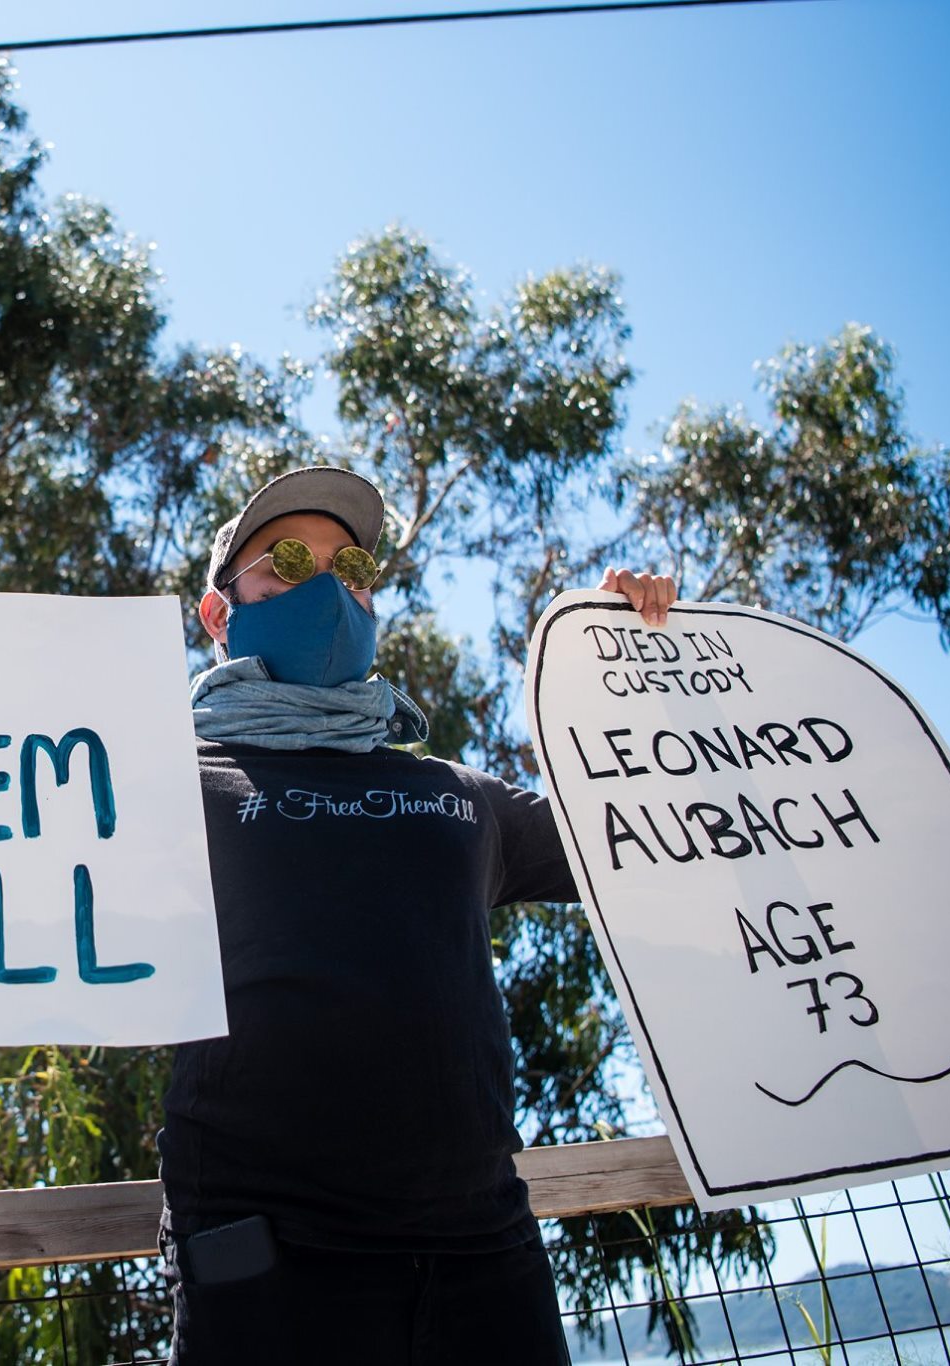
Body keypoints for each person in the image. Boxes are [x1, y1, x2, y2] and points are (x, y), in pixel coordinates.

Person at [161, 465, 674, 1365]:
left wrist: (624, 659)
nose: (327, 589)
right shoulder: (156, 784)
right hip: (268, 1273)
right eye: (287, 562)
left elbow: (636, 827)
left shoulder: (460, 796)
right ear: (219, 614)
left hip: (485, 1261)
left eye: (351, 568)